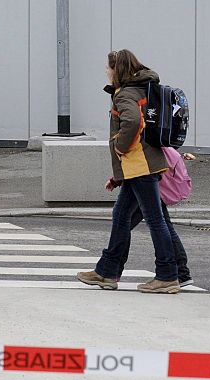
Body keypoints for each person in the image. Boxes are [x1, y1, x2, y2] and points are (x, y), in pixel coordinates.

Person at [77, 49, 180, 294]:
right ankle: (107, 272)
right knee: (122, 216)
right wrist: (118, 175)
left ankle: (167, 275)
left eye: (108, 68)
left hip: (140, 166)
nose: (106, 71)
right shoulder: (143, 89)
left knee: (155, 220)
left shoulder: (124, 95)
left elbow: (132, 122)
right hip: (140, 165)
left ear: (117, 70)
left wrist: (120, 147)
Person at [106, 153, 195, 288]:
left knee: (124, 223)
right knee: (160, 224)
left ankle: (111, 272)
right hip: (153, 180)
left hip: (147, 180)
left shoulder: (147, 138)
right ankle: (180, 273)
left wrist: (116, 179)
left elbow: (137, 154)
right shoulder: (162, 142)